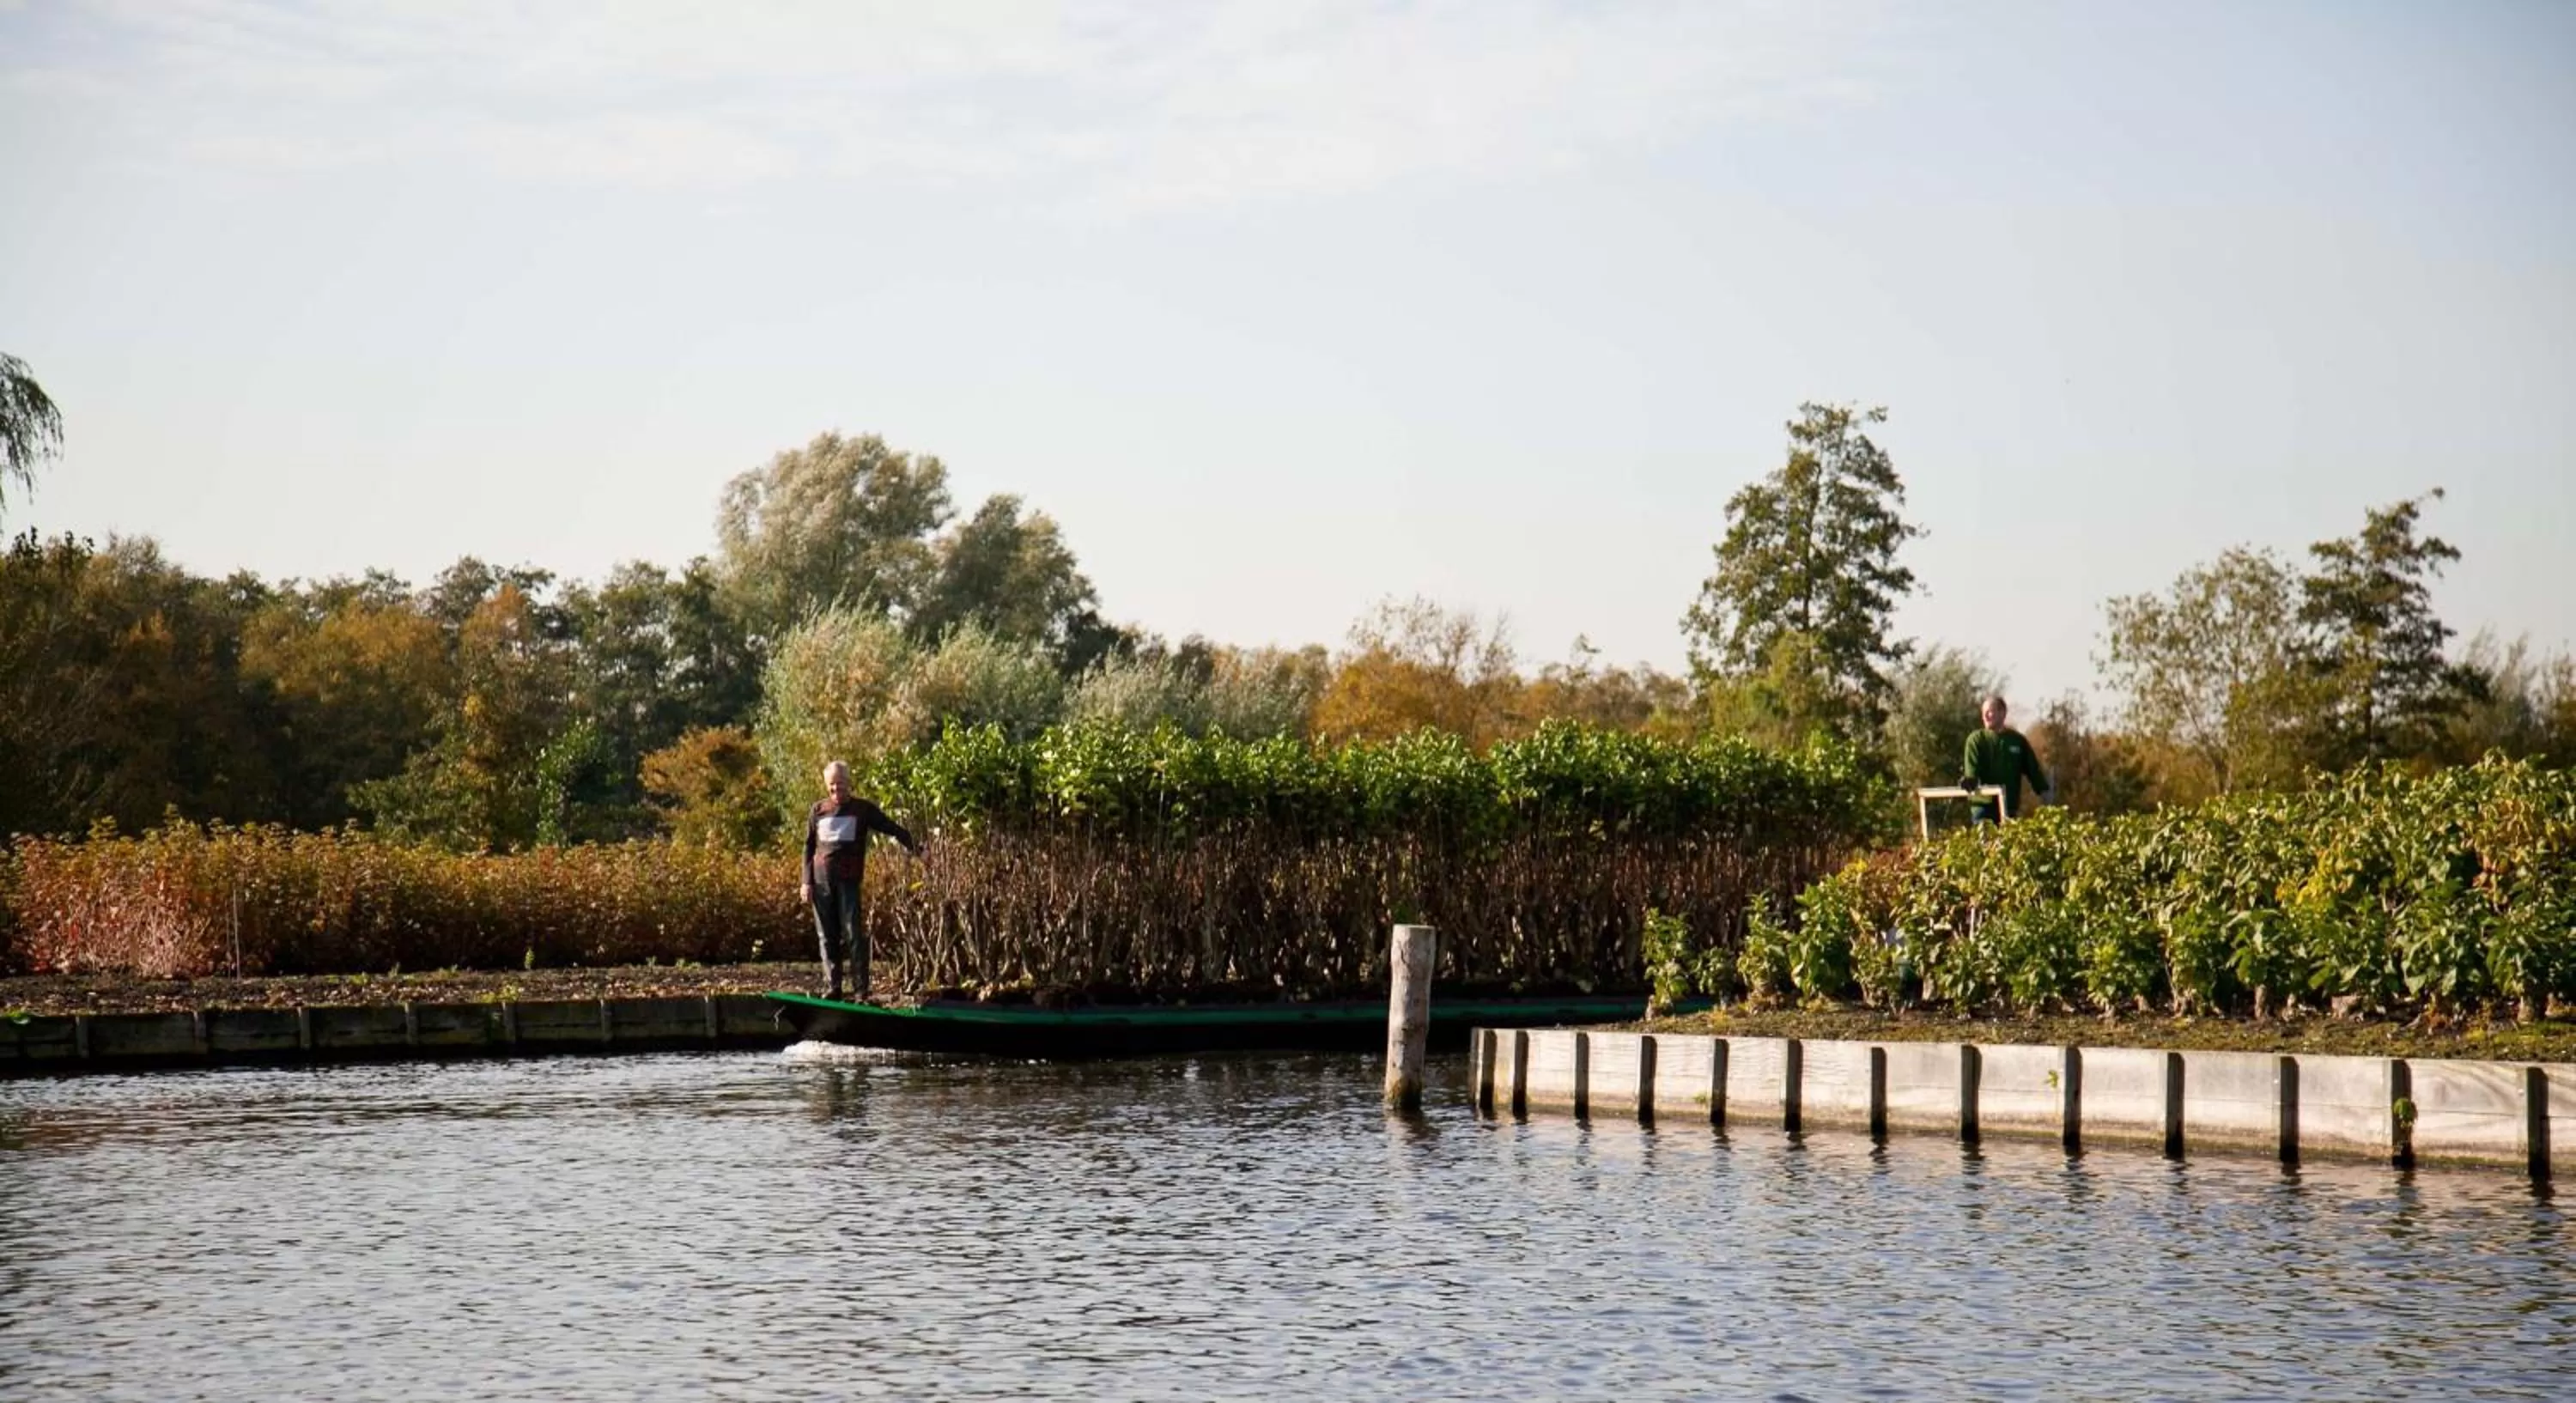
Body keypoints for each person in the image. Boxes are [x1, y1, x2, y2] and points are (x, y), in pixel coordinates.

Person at [801, 761, 922, 1001]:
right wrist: (806, 882)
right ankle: (833, 987)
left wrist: (918, 849)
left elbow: (891, 828)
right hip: (821, 881)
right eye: (832, 785)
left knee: (853, 933)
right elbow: (808, 846)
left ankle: (860, 989)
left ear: (849, 783)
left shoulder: (862, 809)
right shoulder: (818, 810)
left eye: (840, 784)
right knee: (826, 936)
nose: (836, 789)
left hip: (848, 880)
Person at [1960, 694, 2051, 825]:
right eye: (1984, 713)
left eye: (1990, 712)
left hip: (2009, 805)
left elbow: (2034, 771)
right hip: (1983, 807)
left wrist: (2045, 795)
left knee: (2008, 836)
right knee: (1985, 836)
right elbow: (1972, 772)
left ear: (2002, 713)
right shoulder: (1976, 740)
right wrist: (1970, 781)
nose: (1986, 716)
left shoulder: (2017, 741)